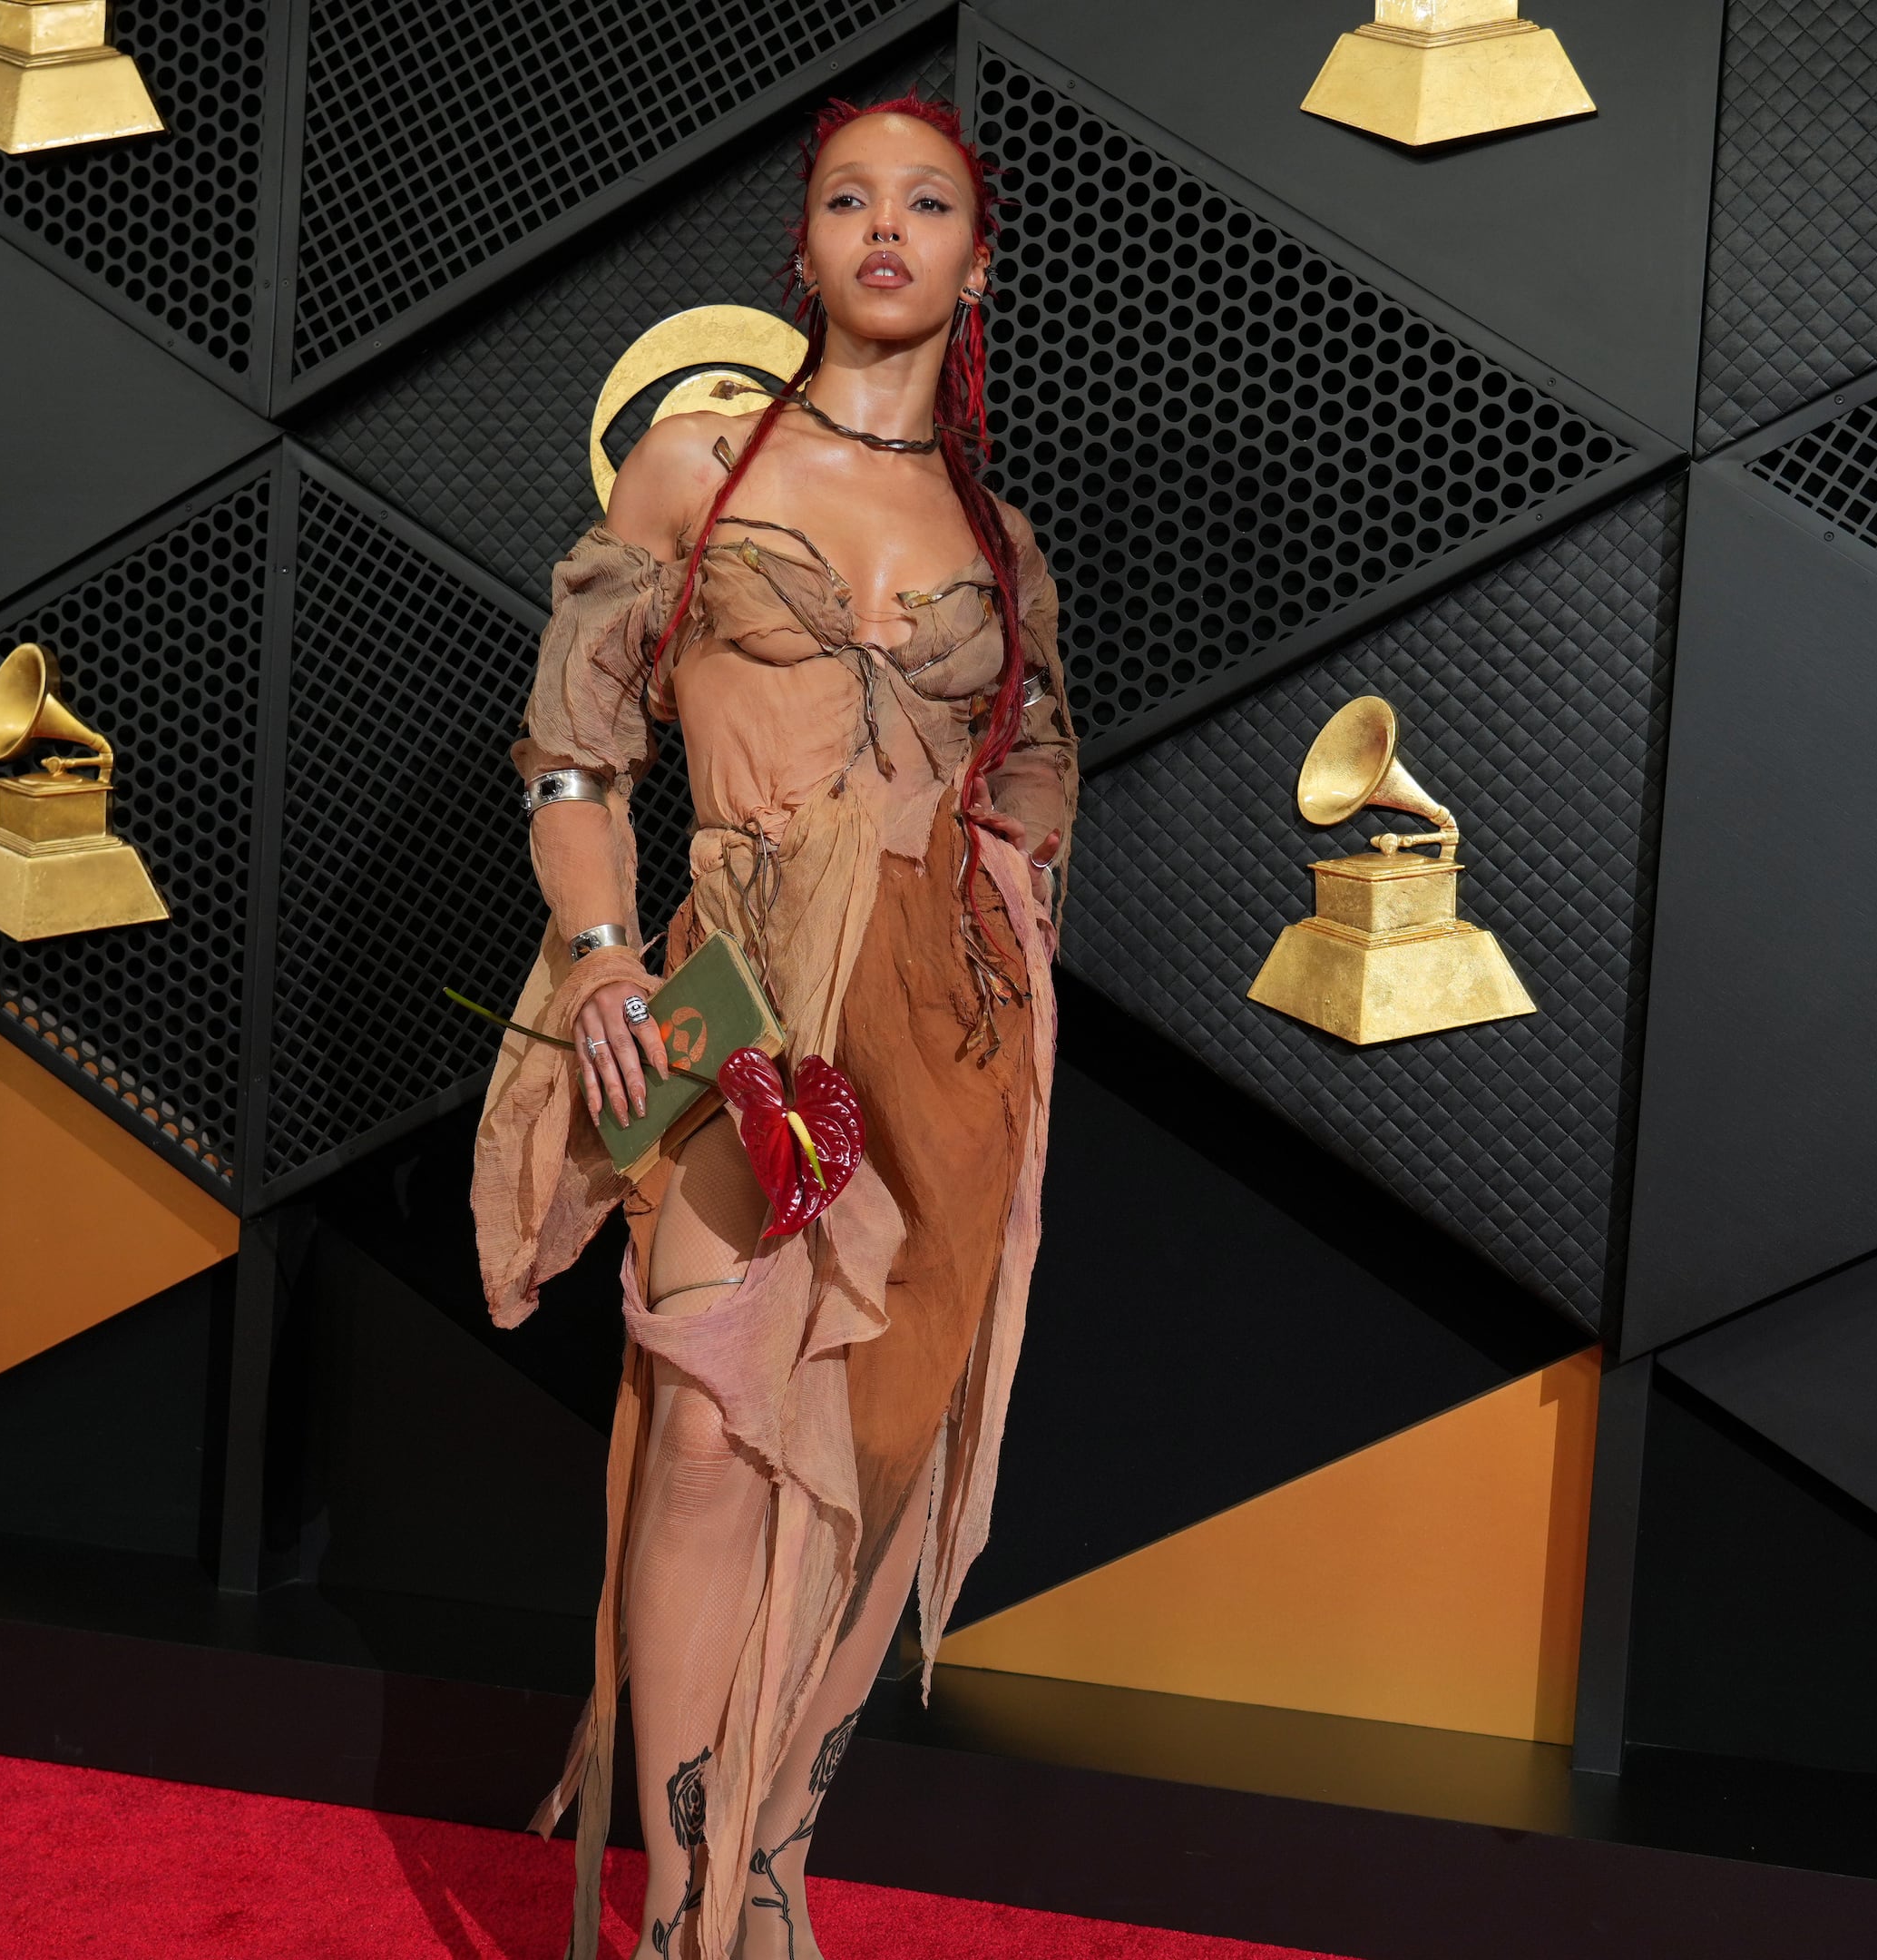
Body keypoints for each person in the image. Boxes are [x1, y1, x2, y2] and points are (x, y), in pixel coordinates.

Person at [466, 93, 1077, 1960]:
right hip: (732, 994)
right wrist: (601, 961)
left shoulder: (1001, 542)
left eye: (928, 203)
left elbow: (1039, 780)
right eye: (848, 199)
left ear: (976, 263)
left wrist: (997, 958)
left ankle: (776, 1874)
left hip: (944, 1024)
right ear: (802, 251)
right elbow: (574, 751)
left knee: (879, 1447)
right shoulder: (698, 468)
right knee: (709, 1427)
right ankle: (678, 1900)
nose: (887, 227)